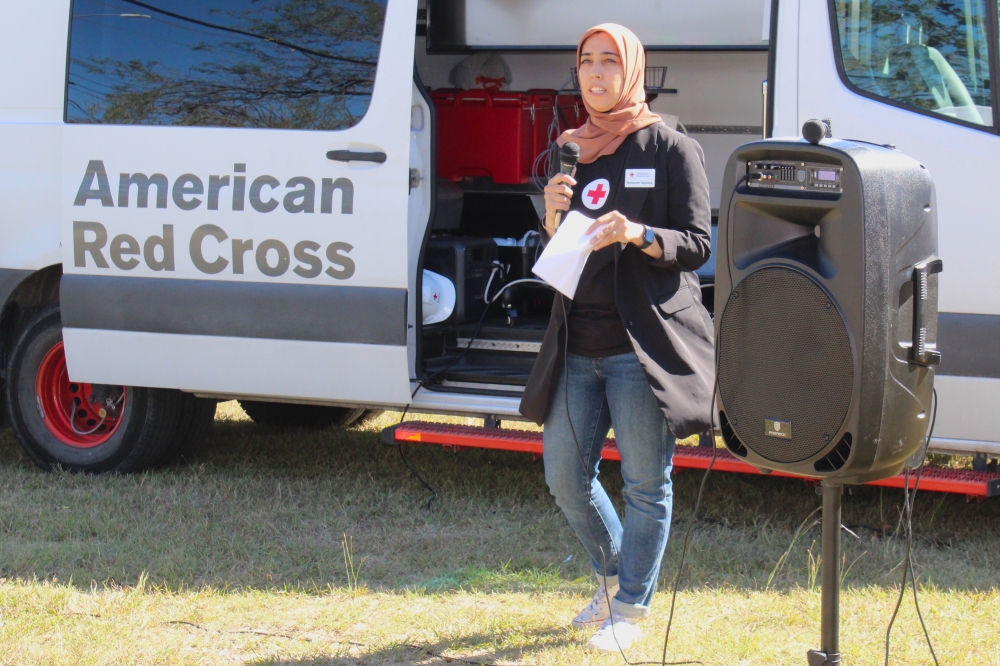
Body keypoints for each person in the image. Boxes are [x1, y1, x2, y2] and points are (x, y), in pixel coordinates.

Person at [518, 23, 715, 652]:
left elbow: (698, 244)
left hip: (641, 346)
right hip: (577, 340)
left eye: (609, 61)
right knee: (563, 476)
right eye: (586, 62)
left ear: (631, 70)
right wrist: (549, 215)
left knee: (645, 483)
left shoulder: (669, 147)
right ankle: (611, 578)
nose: (596, 73)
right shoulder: (567, 151)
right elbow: (559, 251)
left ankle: (630, 607)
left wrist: (638, 234)